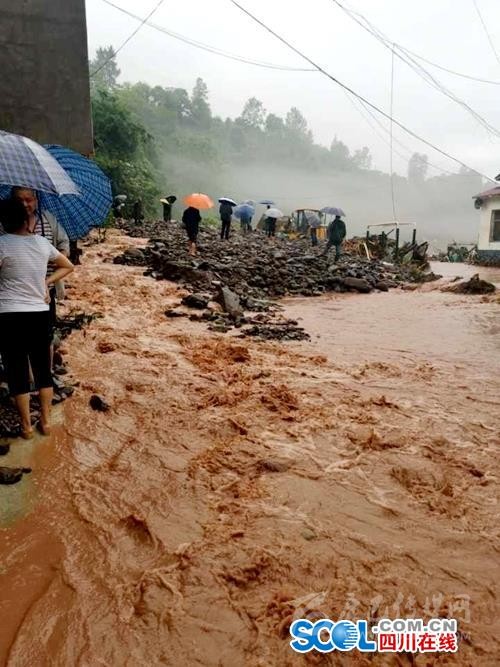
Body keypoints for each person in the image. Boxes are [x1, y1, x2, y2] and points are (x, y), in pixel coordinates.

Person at [0, 200, 74, 438]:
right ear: (26, 220)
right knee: (43, 370)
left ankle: (26, 427)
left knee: (17, 371)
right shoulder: (42, 243)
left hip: (9, 315)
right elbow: (68, 265)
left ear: (3, 222)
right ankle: (46, 421)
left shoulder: (2, 244)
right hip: (39, 314)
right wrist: (46, 282)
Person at [10, 188, 70, 368]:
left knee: (46, 335)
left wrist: (54, 258)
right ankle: (28, 377)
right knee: (17, 337)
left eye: (28, 199)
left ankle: (46, 374)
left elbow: (64, 245)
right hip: (14, 293)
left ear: (36, 200)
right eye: (19, 200)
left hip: (46, 292)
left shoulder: (48, 220)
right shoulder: (5, 224)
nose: (24, 204)